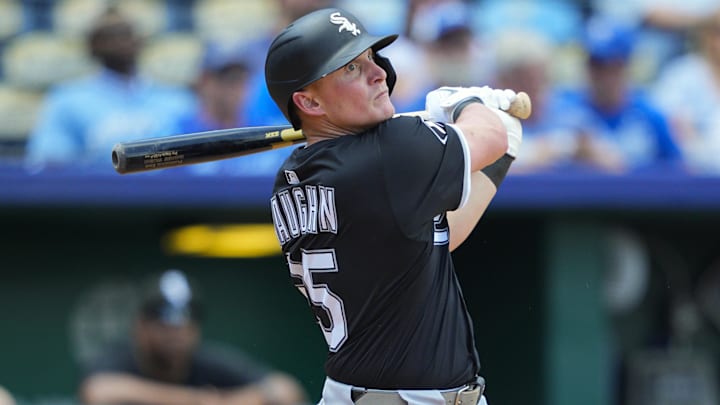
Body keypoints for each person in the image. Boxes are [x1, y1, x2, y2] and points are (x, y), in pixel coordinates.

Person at [265, 7, 522, 404]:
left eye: (371, 58)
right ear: (309, 102)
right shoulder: (390, 153)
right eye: (350, 68)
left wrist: (499, 159)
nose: (378, 73)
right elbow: (487, 138)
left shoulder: (293, 175)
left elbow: (438, 237)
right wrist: (468, 101)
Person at [78, 269, 307, 405]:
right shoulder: (122, 358)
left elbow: (287, 389)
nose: (176, 333)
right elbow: (98, 391)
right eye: (164, 321)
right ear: (141, 326)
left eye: (186, 321)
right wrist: (194, 400)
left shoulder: (205, 362)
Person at [24, 6, 194, 170]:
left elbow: (197, 161)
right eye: (109, 36)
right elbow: (52, 162)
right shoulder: (67, 100)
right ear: (92, 45)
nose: (120, 41)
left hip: (169, 194)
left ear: (140, 40)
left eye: (127, 33)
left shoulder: (177, 99)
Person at [560, 15, 683, 173]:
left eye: (613, 66)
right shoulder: (564, 110)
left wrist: (621, 166)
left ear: (626, 65)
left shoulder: (649, 115)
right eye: (597, 65)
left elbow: (679, 172)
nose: (604, 75)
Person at [650, 8, 720, 174]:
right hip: (691, 175)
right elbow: (669, 126)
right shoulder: (682, 74)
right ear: (706, 36)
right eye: (718, 32)